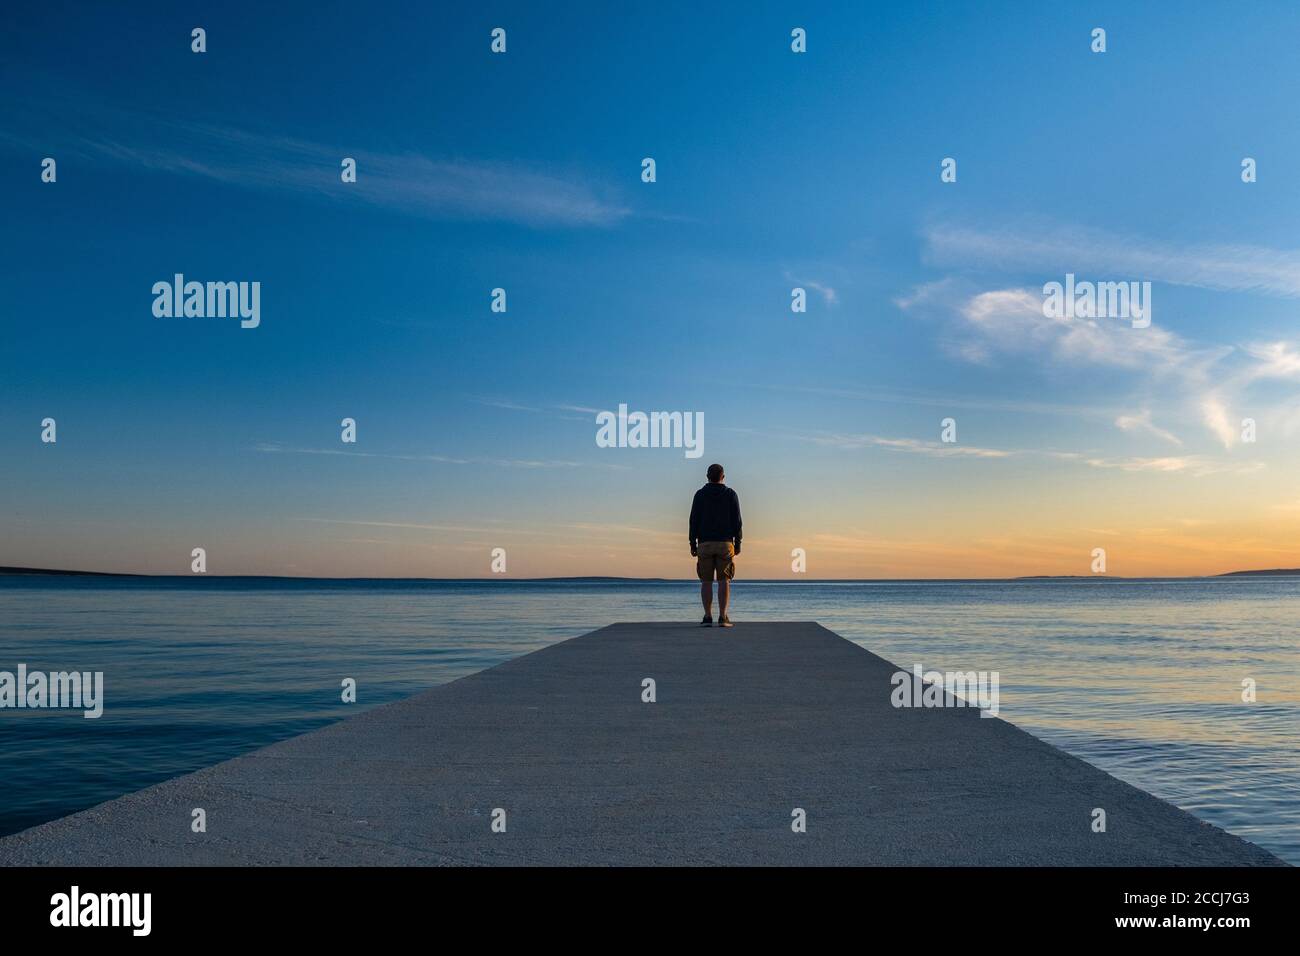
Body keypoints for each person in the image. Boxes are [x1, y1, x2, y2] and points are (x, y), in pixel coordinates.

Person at [689, 463, 742, 627]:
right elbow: (737, 521)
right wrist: (738, 542)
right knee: (724, 581)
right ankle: (723, 616)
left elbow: (693, 521)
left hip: (704, 543)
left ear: (707, 477)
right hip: (725, 543)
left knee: (706, 581)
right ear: (723, 477)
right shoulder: (731, 494)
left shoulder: (699, 495)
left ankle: (707, 616)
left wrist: (693, 543)